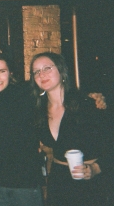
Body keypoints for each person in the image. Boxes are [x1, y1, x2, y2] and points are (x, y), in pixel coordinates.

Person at [30, 52, 113, 206]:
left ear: (61, 71)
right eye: (36, 71)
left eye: (47, 68)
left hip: (90, 183)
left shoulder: (88, 104)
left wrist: (96, 168)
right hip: (58, 183)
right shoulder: (38, 111)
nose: (41, 74)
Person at [0, 53, 44, 206]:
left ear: (10, 73)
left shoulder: (27, 93)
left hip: (26, 184)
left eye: (2, 71)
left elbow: (57, 95)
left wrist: (90, 97)